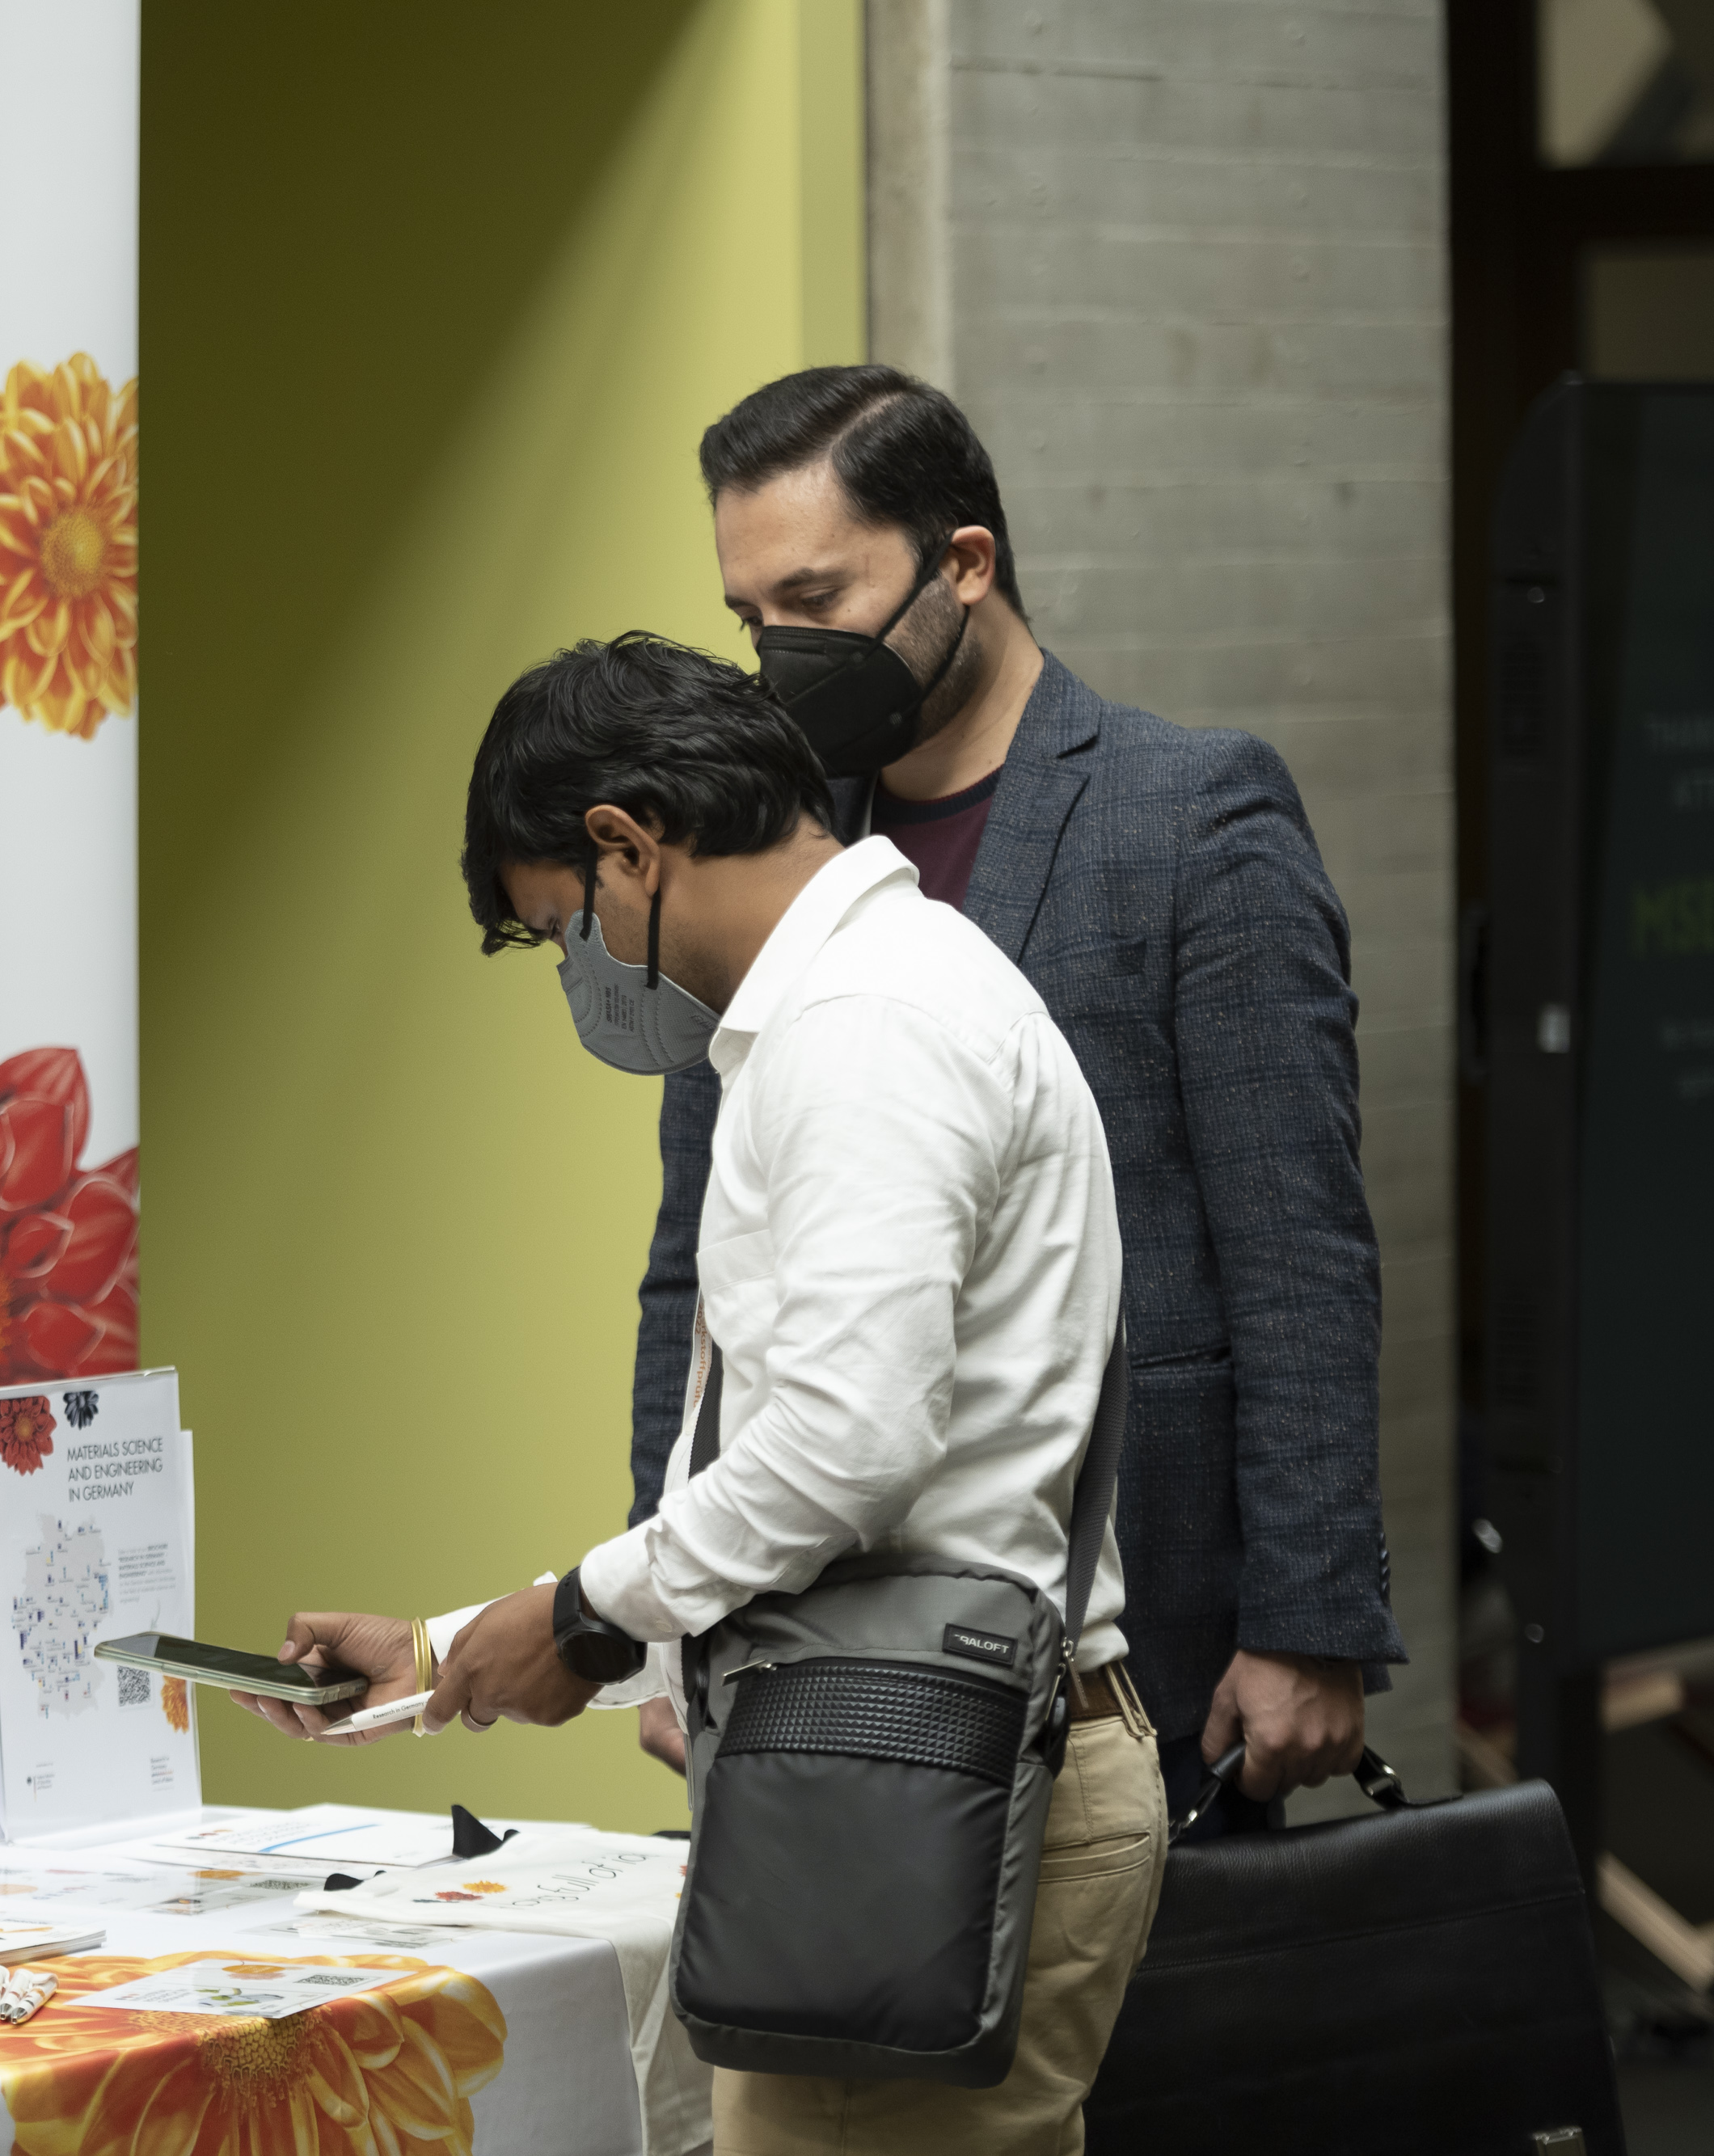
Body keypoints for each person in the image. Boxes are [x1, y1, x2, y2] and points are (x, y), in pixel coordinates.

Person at [244, 631, 1166, 2154]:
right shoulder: (866, 1003)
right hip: (919, 1762)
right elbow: (832, 1492)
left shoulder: (868, 1026)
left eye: (564, 931)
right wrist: (455, 1647)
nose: (584, 978)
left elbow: (848, 1448)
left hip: (932, 1783)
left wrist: (592, 1614)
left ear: (627, 843)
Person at [635, 366, 1404, 1831]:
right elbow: (698, 1275)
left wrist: (1309, 1621)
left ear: (966, 565)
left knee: (1151, 2057)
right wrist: (664, 1608)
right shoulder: (762, 857)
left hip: (1138, 1630)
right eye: (751, 621)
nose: (782, 655)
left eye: (815, 599)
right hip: (813, 1639)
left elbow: (1300, 1251)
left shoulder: (1191, 817)